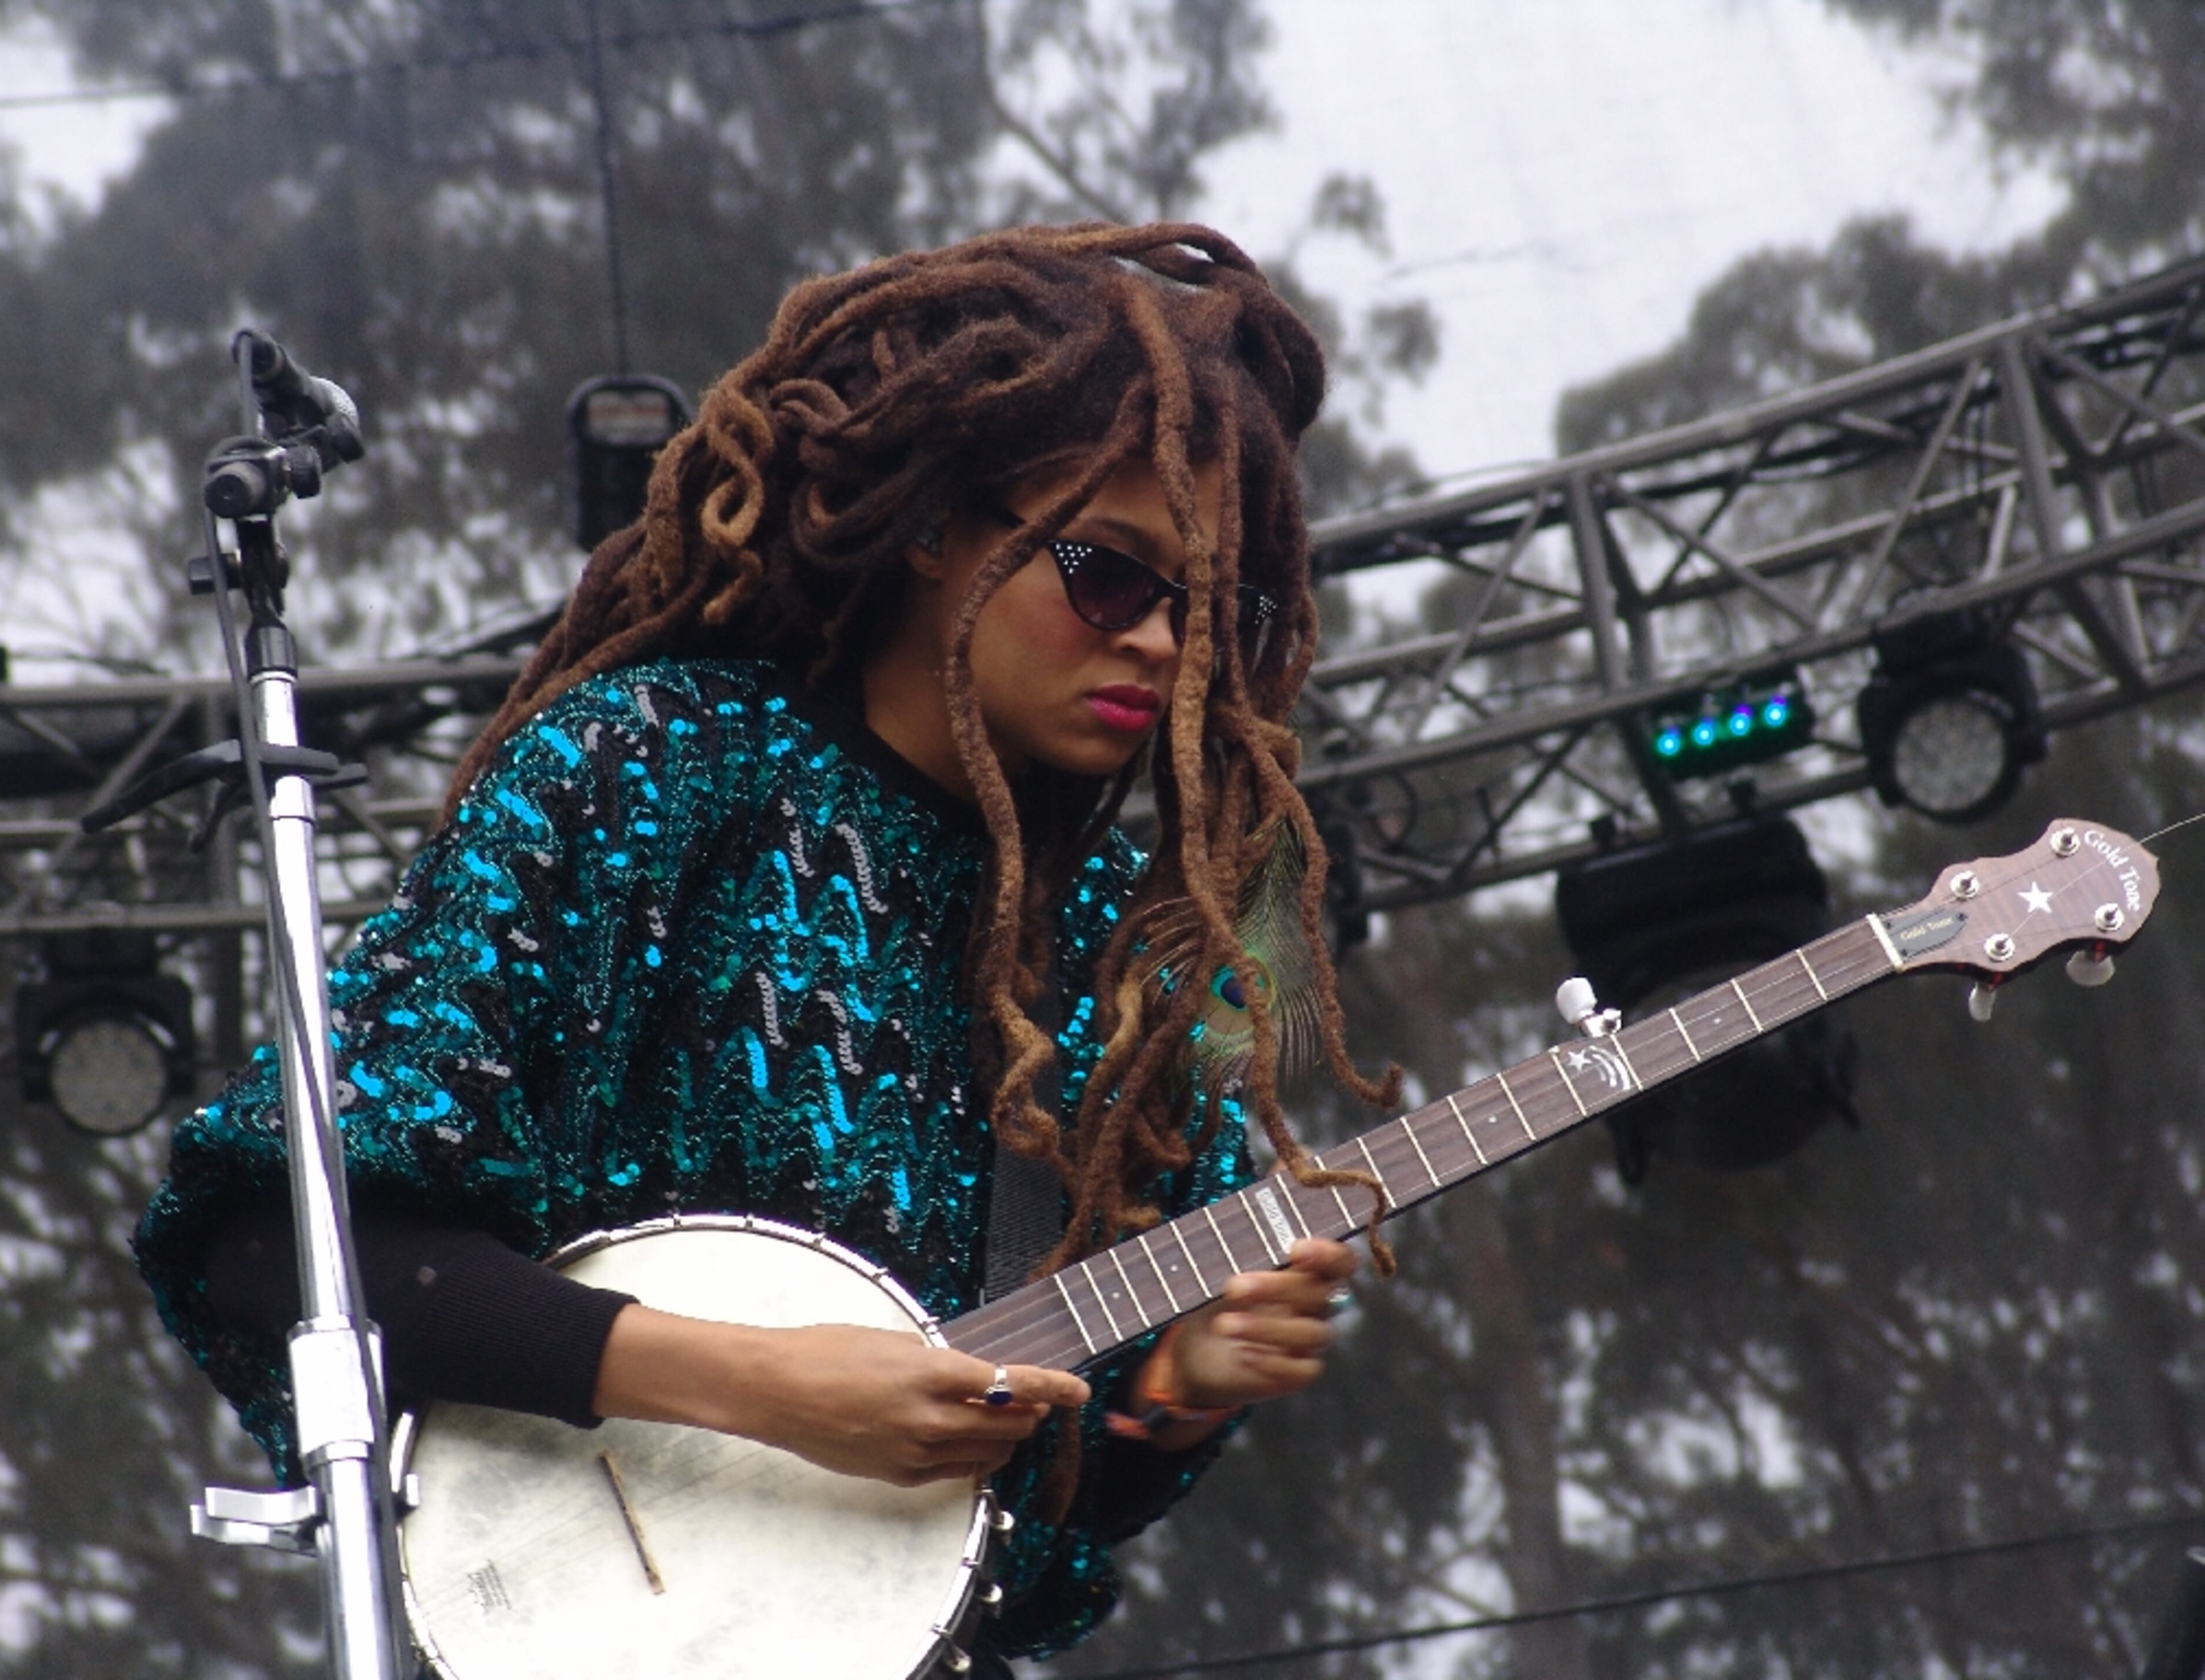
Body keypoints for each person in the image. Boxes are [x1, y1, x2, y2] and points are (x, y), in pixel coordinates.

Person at [134, 221, 1397, 1668]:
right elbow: (271, 1244)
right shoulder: (658, 769)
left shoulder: (1122, 948)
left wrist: (1172, 1392)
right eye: (1110, 574)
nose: (1165, 645)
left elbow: (1007, 1520)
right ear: (935, 527)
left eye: (1208, 607)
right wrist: (756, 1385)